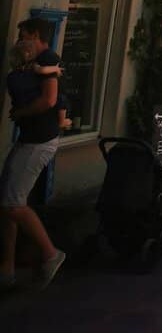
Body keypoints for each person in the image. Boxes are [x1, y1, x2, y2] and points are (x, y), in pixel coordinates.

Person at [0, 19, 66, 289]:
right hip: (31, 137)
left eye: (23, 34)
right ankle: (7, 267)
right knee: (7, 200)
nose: (19, 39)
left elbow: (49, 100)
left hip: (39, 139)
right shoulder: (33, 60)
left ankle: (50, 253)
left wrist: (20, 113)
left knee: (12, 203)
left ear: (36, 35)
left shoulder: (48, 57)